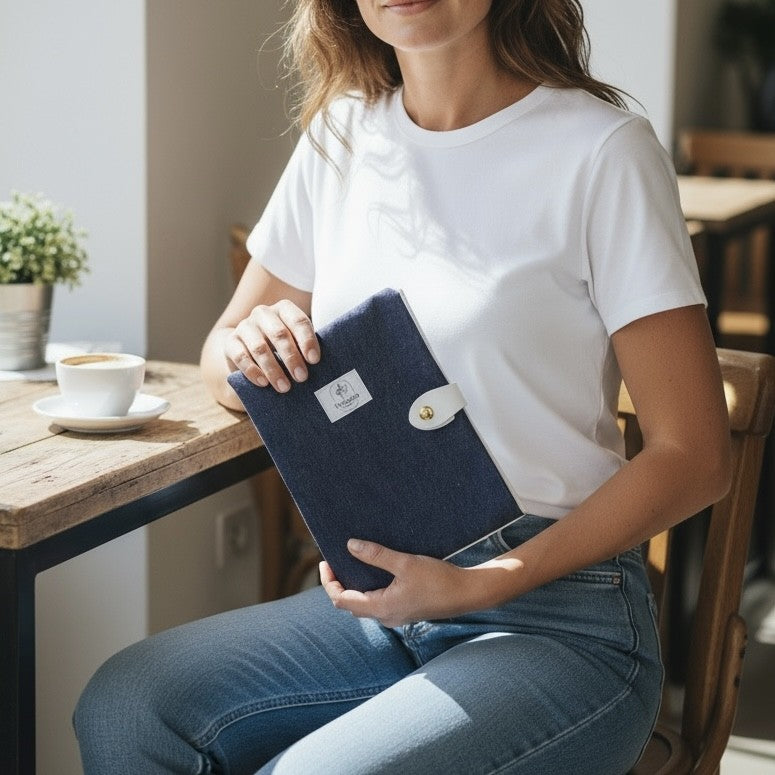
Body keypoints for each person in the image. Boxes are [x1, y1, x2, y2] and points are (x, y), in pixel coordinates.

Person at [74, 1, 732, 773]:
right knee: (129, 706)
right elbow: (221, 355)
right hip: (383, 599)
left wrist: (477, 585)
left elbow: (694, 455)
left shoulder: (602, 151)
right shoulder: (341, 136)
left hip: (558, 620)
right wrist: (256, 344)